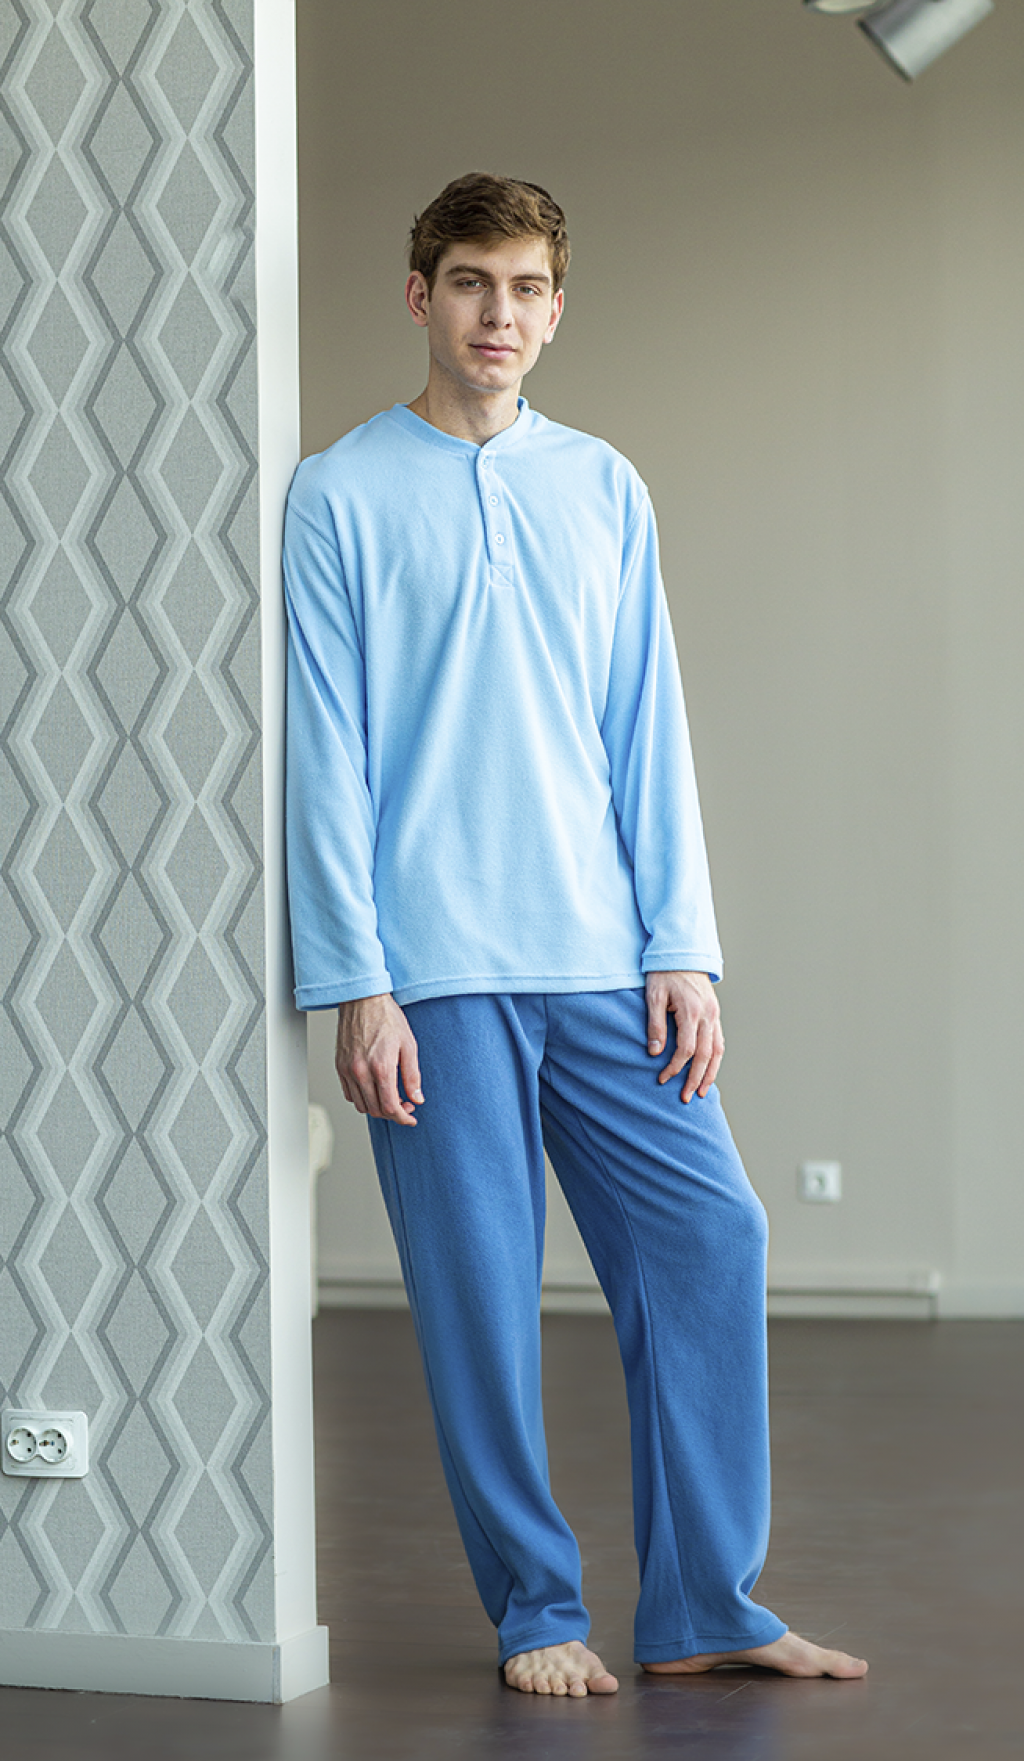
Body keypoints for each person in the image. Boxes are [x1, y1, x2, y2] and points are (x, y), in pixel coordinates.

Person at [283, 172, 868, 1697]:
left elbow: (646, 729)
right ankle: (538, 1608)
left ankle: (706, 1604)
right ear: (420, 295)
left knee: (712, 1237)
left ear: (557, 309)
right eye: (472, 282)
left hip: (608, 955)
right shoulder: (337, 495)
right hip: (432, 974)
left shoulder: (605, 487)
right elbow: (323, 758)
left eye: (527, 287)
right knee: (480, 1300)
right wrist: (355, 983)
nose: (500, 313)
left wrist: (685, 945)